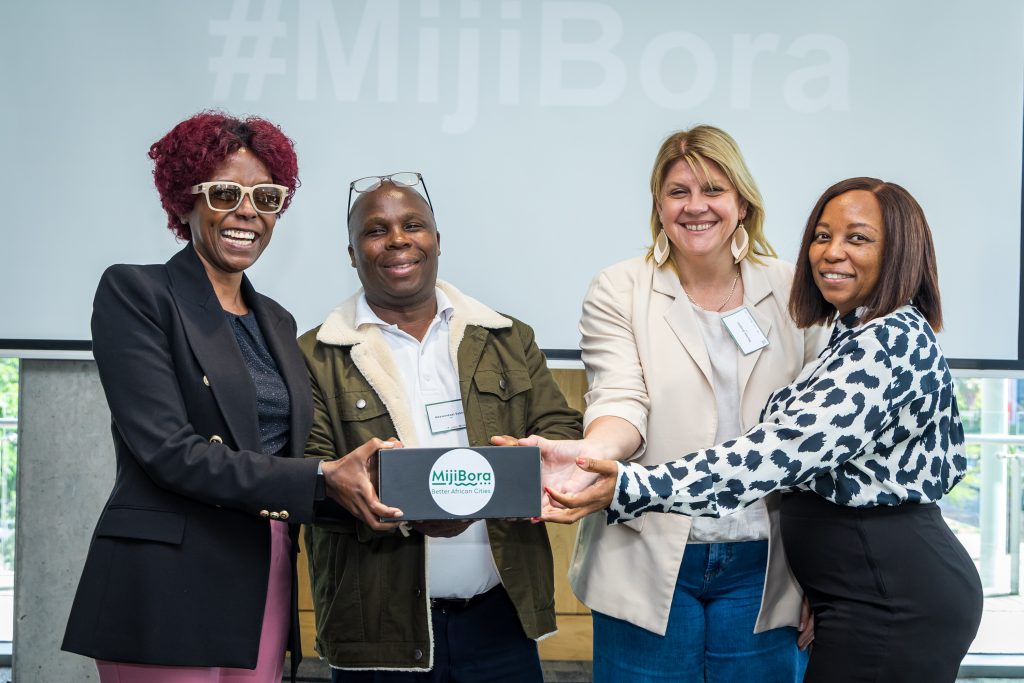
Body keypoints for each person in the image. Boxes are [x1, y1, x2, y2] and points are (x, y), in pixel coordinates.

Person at [539, 177, 985, 683]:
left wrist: (628, 484)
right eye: (821, 236)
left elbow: (777, 453)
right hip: (859, 588)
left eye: (857, 238)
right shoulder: (856, 331)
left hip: (887, 594)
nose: (832, 253)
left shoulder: (885, 343)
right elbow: (622, 397)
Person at [62, 111, 365, 683]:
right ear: (184, 202)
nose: (248, 210)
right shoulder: (137, 292)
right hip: (166, 579)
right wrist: (323, 479)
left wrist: (380, 496)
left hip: (265, 563)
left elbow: (286, 459)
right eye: (226, 192)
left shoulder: (277, 320)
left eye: (267, 196)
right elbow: (168, 451)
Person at [528, 126, 822, 682]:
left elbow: (812, 438)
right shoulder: (620, 288)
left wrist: (824, 577)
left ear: (742, 202)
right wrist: (592, 454)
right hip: (647, 549)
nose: (696, 207)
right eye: (678, 192)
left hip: (766, 560)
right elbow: (621, 398)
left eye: (713, 189)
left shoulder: (793, 289)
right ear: (658, 206)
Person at [298, 172, 583, 682]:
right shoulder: (313, 355)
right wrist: (409, 511)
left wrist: (519, 466)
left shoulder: (507, 336)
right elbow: (304, 474)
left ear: (437, 240)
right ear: (351, 252)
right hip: (377, 630)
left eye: (413, 225)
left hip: (501, 620)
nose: (398, 240)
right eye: (376, 230)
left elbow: (560, 430)